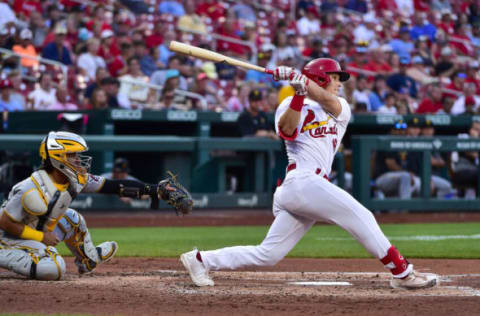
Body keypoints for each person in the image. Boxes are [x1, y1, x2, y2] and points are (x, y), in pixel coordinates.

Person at [180, 59, 439, 290]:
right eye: (336, 78)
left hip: (309, 187)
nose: (339, 84)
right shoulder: (287, 105)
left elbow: (327, 101)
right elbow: (287, 131)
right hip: (301, 181)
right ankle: (402, 273)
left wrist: (302, 82)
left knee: (268, 254)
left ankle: (200, 260)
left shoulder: (340, 108)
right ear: (323, 78)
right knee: (362, 216)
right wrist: (298, 93)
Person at [0, 131, 191, 280]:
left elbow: (115, 186)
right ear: (57, 158)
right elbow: (5, 223)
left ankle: (88, 260)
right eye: (72, 155)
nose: (78, 159)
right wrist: (41, 237)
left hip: (39, 230)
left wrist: (154, 190)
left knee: (72, 218)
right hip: (8, 239)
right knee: (54, 269)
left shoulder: (76, 178)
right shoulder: (30, 188)